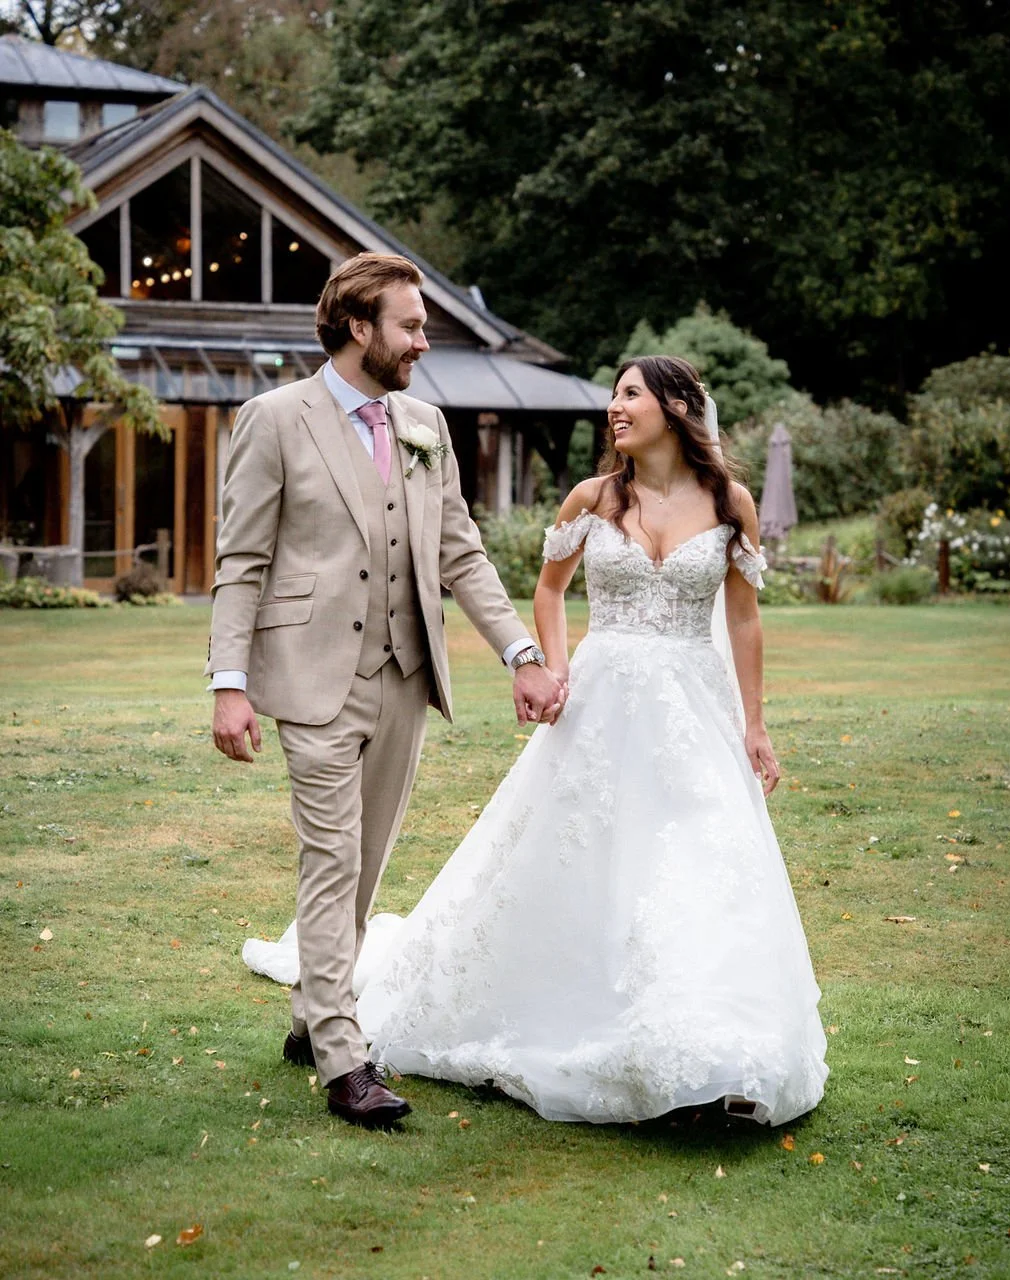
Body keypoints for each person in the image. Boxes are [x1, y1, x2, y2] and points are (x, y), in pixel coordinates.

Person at [352, 355, 829, 1126]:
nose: (614, 407)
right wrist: (556, 663)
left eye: (630, 394)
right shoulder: (593, 497)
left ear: (675, 407)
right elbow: (549, 588)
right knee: (585, 851)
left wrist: (755, 722)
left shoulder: (727, 501)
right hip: (602, 699)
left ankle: (712, 1042)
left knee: (698, 860)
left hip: (691, 707)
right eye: (613, 394)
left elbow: (742, 616)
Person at [206, 251, 565, 1129]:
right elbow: (242, 561)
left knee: (363, 866)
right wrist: (229, 682)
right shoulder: (275, 418)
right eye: (410, 325)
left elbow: (461, 554)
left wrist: (520, 650)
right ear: (359, 327)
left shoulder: (424, 424)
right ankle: (342, 1055)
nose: (424, 340)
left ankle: (306, 1017)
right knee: (330, 860)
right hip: (313, 678)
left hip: (407, 678)